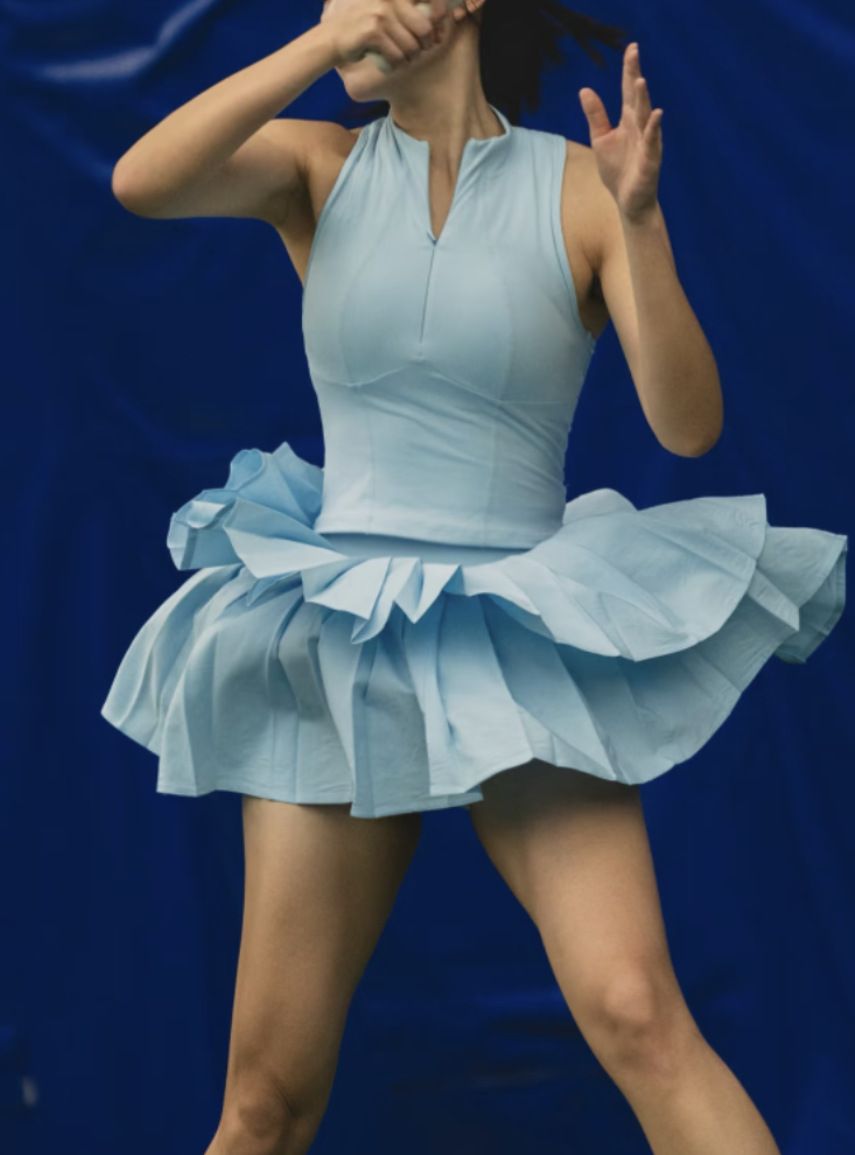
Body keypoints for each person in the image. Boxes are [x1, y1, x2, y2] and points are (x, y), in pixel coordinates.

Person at [101, 1, 847, 1152]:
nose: (339, 7)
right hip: (337, 631)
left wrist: (639, 221)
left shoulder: (584, 187)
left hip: (522, 634)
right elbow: (140, 182)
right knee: (265, 1103)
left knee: (640, 1016)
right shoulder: (314, 166)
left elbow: (688, 428)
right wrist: (319, 46)